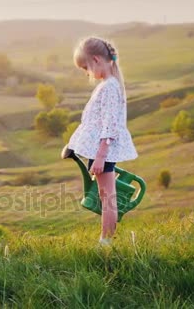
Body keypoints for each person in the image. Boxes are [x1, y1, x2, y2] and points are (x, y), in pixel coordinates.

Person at [67, 37, 138, 246]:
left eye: (85, 68)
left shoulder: (109, 87)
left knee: (108, 199)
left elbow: (109, 124)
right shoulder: (108, 85)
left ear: (96, 60)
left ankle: (106, 241)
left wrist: (100, 156)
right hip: (99, 151)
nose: (87, 73)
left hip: (102, 152)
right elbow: (92, 121)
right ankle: (106, 238)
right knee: (105, 196)